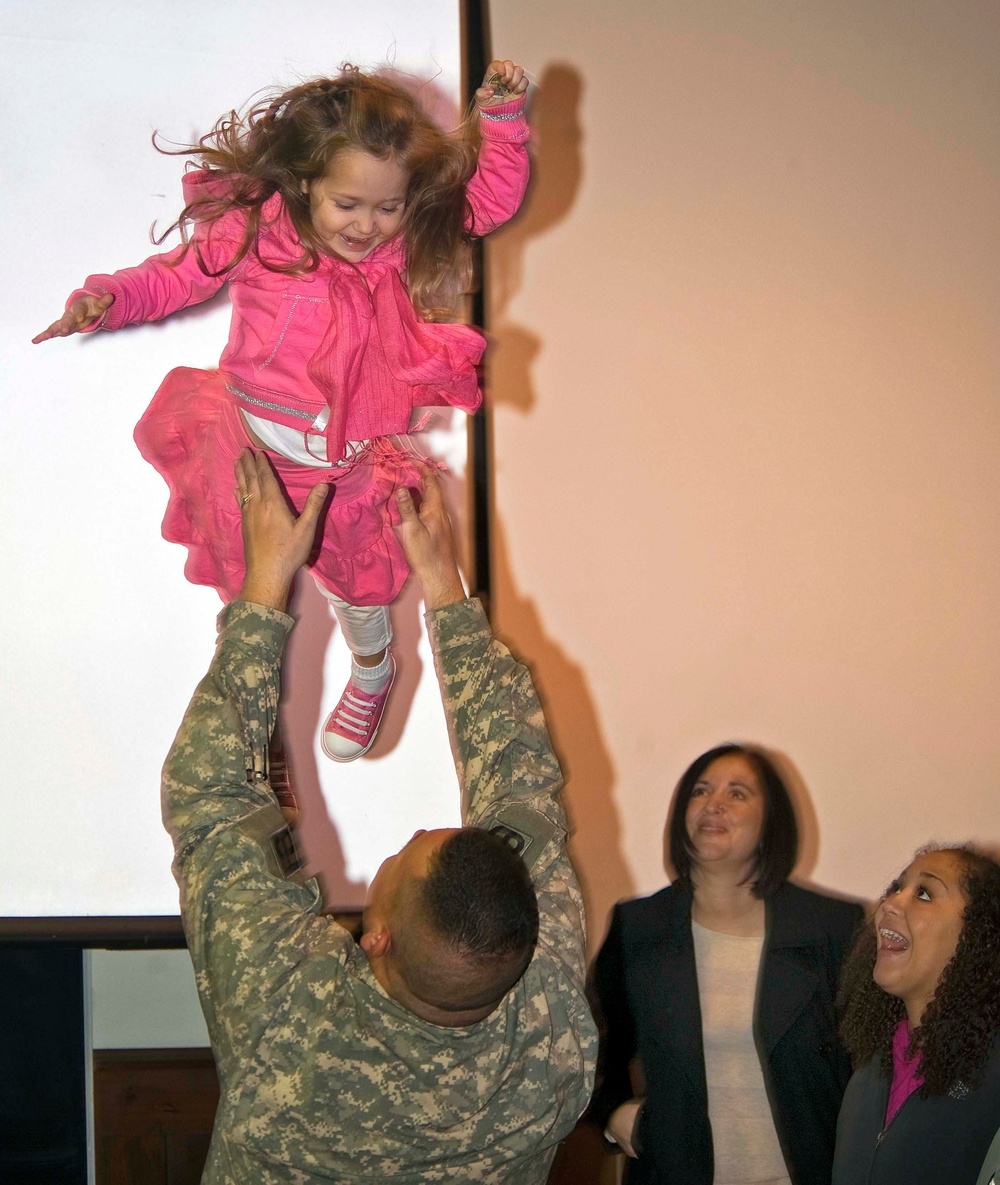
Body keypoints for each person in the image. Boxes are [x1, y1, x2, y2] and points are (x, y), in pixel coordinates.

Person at [33, 60, 529, 766]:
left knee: (360, 590)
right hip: (254, 456)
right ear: (303, 184)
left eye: (387, 208)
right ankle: (251, 737)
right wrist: (106, 299)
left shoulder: (393, 249)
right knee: (250, 592)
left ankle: (373, 666)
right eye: (348, 204)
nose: (367, 224)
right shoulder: (254, 234)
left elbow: (486, 204)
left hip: (345, 467)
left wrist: (501, 126)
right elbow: (172, 277)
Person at [160, 450, 596, 1182]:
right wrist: (441, 581)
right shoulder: (550, 1047)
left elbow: (210, 801)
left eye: (406, 858)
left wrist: (267, 579)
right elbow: (520, 778)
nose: (421, 833)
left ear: (376, 938)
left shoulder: (293, 1032)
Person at [589, 744, 863, 1185]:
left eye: (737, 794)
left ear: (770, 820)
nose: (713, 804)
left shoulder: (830, 927)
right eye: (700, 791)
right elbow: (587, 1046)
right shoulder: (638, 927)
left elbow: (870, 1067)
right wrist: (614, 1112)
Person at [833, 845, 1000, 1185]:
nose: (889, 904)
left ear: (976, 936)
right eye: (897, 888)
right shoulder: (868, 1069)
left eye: (924, 893)